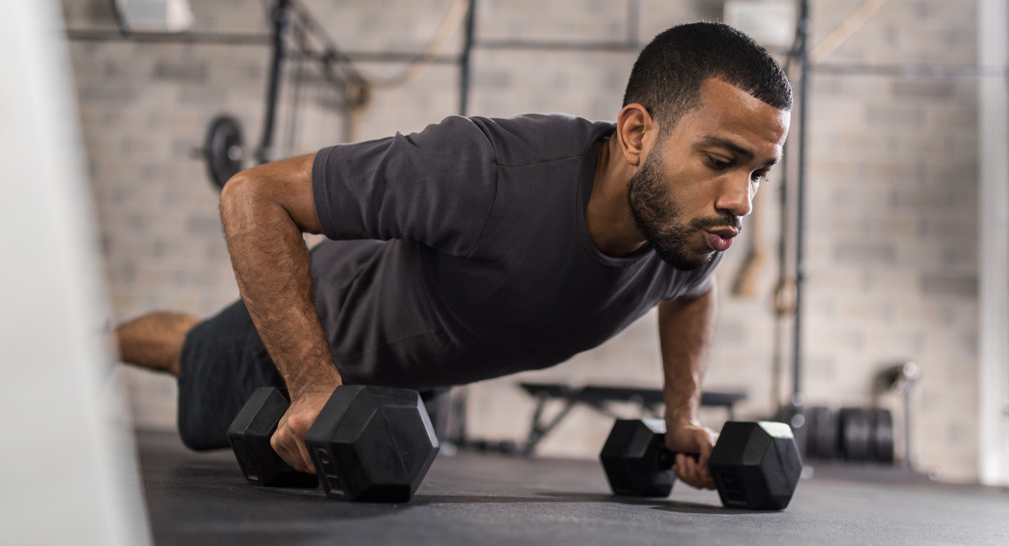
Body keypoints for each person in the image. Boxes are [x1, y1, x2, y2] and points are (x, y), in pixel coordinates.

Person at [115, 22, 791, 492]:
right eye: (720, 160)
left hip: (414, 386)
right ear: (637, 132)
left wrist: (681, 415)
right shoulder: (485, 171)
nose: (741, 199)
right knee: (192, 353)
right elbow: (252, 194)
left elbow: (691, 293)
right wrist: (315, 384)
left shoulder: (691, 231)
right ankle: (95, 343)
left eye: (759, 172)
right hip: (320, 338)